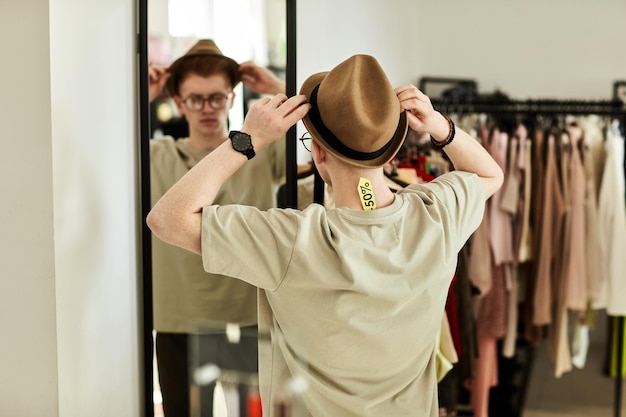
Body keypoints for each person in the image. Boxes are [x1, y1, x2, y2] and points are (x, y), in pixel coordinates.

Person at [147, 54, 504, 417]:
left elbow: (167, 219)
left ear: (317, 153)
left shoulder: (291, 241)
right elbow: (491, 174)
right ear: (394, 150)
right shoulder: (437, 215)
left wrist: (246, 139)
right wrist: (441, 127)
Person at [147, 39, 286, 417]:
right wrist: (140, 96)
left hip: (251, 311)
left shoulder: (260, 151)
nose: (207, 108)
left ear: (231, 97)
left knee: (257, 413)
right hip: (179, 315)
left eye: (216, 97)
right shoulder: (157, 156)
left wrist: (276, 90)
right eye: (194, 99)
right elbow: (104, 145)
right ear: (177, 103)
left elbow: (313, 143)